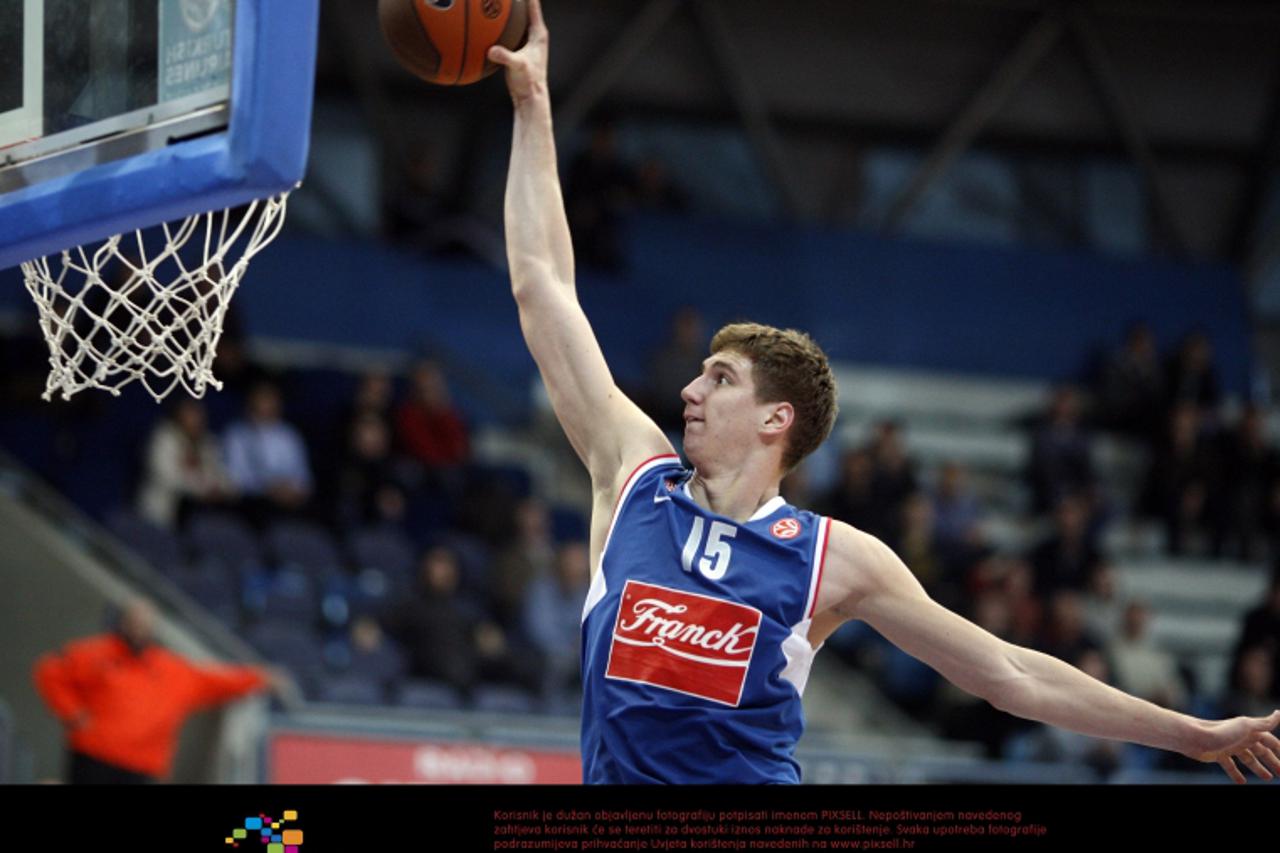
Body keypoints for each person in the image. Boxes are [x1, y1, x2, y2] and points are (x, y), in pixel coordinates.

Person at [487, 0, 1280, 785]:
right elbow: (544, 285)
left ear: (777, 418)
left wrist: (1188, 732)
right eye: (701, 371)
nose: (690, 389)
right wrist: (533, 105)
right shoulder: (634, 479)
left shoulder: (835, 558)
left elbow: (1010, 672)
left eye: (720, 378)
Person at [32, 598, 284, 784]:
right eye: (134, 622)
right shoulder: (95, 653)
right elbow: (50, 672)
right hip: (95, 757)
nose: (139, 629)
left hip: (142, 767)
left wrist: (259, 677)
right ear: (122, 623)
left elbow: (220, 681)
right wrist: (72, 712)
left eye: (145, 624)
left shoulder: (172, 669)